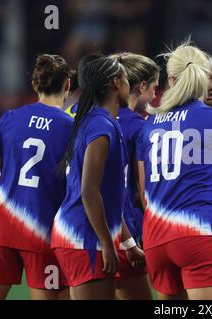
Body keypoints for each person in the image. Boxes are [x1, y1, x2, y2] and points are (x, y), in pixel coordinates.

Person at [137, 42, 212, 300]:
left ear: (171, 79)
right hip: (198, 233)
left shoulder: (149, 125)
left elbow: (144, 192)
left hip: (155, 236)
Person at [0, 54, 73, 300]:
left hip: (0, 231)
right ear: (67, 85)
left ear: (35, 85)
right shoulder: (72, 128)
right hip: (43, 233)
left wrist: (11, 176)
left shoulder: (8, 118)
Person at [51, 55, 144, 300]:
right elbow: (89, 191)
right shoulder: (101, 126)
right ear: (116, 82)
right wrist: (106, 244)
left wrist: (128, 244)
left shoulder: (97, 121)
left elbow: (108, 196)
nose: (129, 85)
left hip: (80, 234)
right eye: (126, 79)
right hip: (84, 238)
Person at [111, 52, 160, 300]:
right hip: (125, 230)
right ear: (141, 87)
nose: (154, 96)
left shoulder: (85, 114)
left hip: (79, 229)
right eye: (153, 88)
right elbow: (144, 189)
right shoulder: (140, 126)